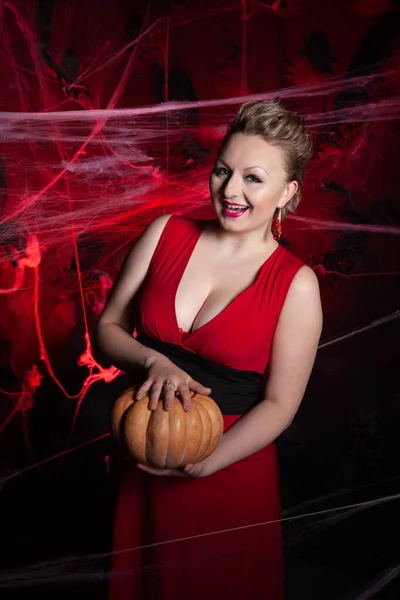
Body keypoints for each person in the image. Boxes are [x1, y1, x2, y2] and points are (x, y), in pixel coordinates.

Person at [95, 99, 323, 599]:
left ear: (288, 192)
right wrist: (153, 360)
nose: (231, 189)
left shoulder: (296, 284)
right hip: (144, 458)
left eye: (253, 178)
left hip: (228, 475)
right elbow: (108, 327)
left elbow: (281, 405)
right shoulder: (165, 234)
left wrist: (204, 461)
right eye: (223, 170)